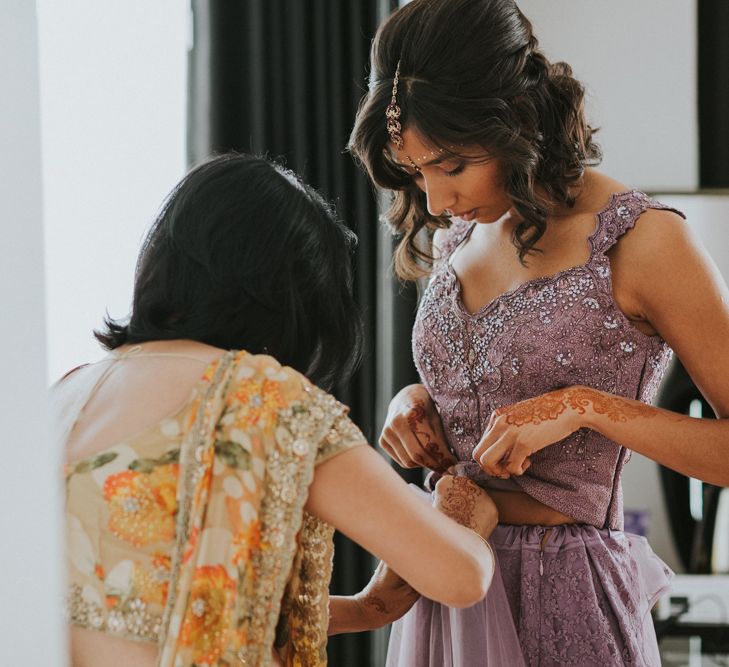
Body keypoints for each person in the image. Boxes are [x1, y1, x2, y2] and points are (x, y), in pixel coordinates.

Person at [348, 0, 729, 665]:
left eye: (451, 165)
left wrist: (583, 406)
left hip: (569, 599)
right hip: (446, 575)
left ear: (514, 122)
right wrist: (412, 403)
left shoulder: (643, 242)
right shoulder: (457, 232)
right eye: (415, 172)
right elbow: (482, 379)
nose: (435, 202)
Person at [55, 153, 501, 667]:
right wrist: (472, 521)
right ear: (294, 301)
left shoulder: (64, 393)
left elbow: (142, 603)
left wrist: (360, 610)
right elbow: (460, 577)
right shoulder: (263, 402)